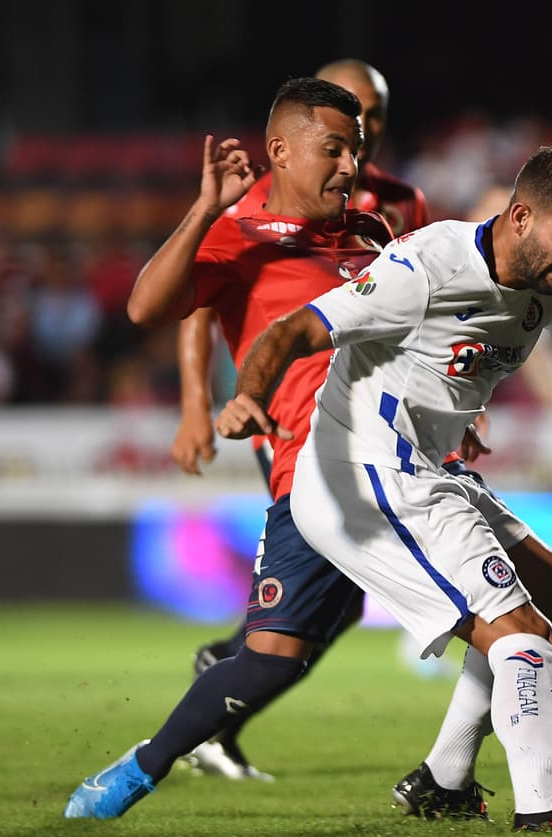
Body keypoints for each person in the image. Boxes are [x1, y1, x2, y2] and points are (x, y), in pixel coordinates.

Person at [163, 63, 552, 811]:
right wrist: (221, 397)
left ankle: (447, 778)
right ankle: (544, 804)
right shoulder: (404, 254)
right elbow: (261, 318)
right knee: (490, 632)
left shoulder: (406, 216)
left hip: (422, 459)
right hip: (344, 457)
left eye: (373, 119)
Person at [172, 57, 433, 783]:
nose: (364, 130)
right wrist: (197, 402)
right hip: (295, 417)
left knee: (343, 602)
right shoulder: (265, 201)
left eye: (374, 115)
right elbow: (200, 296)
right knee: (333, 576)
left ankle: (226, 670)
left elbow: (420, 307)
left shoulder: (397, 205)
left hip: (378, 415)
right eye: (350, 115)